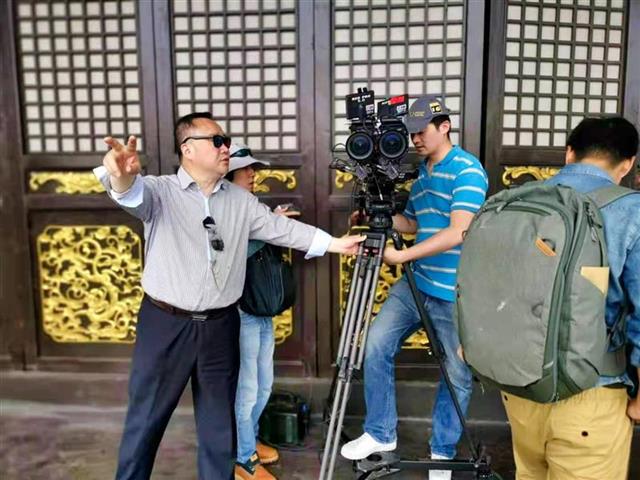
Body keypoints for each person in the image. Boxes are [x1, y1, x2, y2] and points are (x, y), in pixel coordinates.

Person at [94, 112, 364, 480]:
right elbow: (129, 193)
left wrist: (336, 244)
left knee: (219, 424)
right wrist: (122, 175)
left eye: (227, 141)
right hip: (166, 324)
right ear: (188, 149)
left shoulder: (240, 201)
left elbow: (282, 229)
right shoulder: (160, 192)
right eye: (218, 141)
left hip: (220, 325)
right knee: (146, 421)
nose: (227, 148)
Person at [340, 95, 489, 480]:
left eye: (422, 131)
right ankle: (380, 433)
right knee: (376, 344)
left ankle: (442, 453)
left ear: (445, 126)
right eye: (412, 133)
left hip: (454, 292)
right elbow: (414, 223)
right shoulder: (422, 172)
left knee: (456, 373)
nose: (416, 139)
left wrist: (403, 256)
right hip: (416, 283)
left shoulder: (468, 171)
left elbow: (459, 231)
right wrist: (380, 216)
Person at [502, 116, 640, 479]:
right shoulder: (632, 212)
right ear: (627, 164)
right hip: (591, 392)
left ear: (568, 153)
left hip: (519, 385)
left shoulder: (518, 200)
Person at [225, 143, 296, 480]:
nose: (253, 174)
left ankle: (248, 441)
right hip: (241, 310)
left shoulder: (252, 205)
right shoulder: (221, 207)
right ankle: (243, 461)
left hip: (261, 307)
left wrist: (273, 222)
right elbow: (228, 253)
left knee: (264, 383)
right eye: (246, 169)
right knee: (248, 387)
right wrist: (272, 228)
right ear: (228, 175)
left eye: (253, 168)